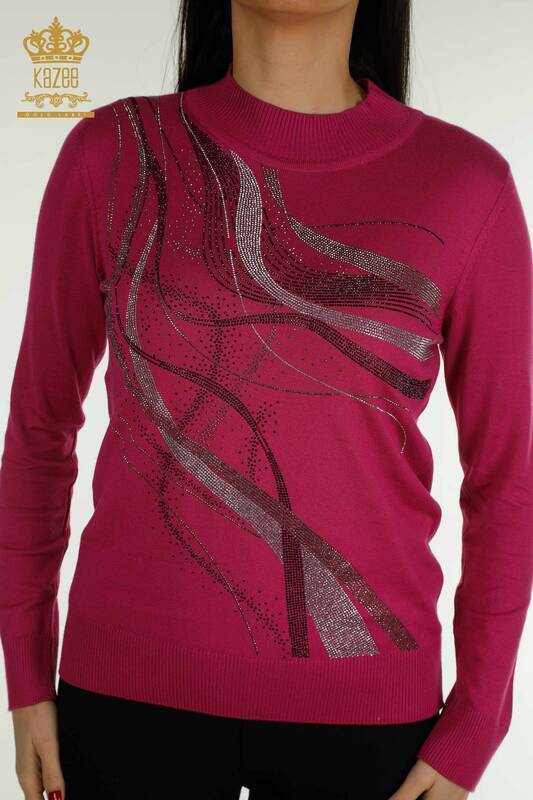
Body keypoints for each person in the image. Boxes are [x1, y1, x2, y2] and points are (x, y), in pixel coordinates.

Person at [1, 1, 532, 798]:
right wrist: (25, 671)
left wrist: (479, 719)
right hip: (126, 701)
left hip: (368, 712)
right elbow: (40, 430)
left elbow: (508, 478)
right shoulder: (113, 151)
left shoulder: (466, 182)